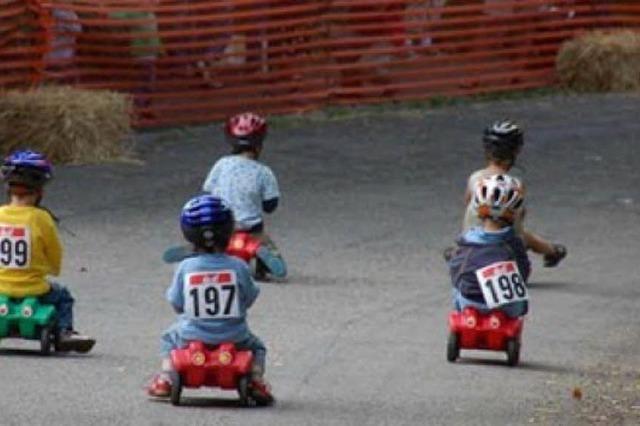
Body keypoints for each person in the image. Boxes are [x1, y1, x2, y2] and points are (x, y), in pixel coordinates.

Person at [147, 195, 274, 405]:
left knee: (168, 338)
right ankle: (256, 380)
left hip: (191, 335)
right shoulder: (238, 266)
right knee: (257, 347)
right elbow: (250, 297)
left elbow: (176, 303)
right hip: (235, 336)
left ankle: (166, 379)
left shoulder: (185, 268)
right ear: (228, 230)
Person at [0, 150, 95, 352]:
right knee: (63, 296)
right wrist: (52, 268)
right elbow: (53, 252)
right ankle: (64, 332)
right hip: (33, 288)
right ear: (39, 190)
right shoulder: (41, 218)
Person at [461, 120, 566, 267]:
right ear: (516, 151)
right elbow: (517, 225)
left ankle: (458, 253)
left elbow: (467, 205)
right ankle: (552, 250)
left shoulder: (475, 178)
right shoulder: (514, 185)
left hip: (470, 251)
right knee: (520, 235)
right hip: (506, 258)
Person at [202, 112, 286, 280]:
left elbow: (208, 192)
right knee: (263, 239)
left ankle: (203, 251)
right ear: (259, 145)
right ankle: (262, 262)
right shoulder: (263, 172)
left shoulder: (221, 164)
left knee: (212, 236)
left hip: (223, 224)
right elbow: (270, 206)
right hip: (250, 227)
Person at [449, 174, 530, 318]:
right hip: (506, 306)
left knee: (456, 290)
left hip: (471, 303)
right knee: (521, 306)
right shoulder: (513, 243)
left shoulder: (467, 241)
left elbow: (456, 270)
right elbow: (523, 271)